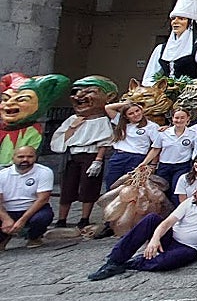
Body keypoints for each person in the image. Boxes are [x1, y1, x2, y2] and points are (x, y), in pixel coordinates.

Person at [87, 179, 197, 280]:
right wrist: (154, 240)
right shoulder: (189, 202)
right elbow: (167, 222)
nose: (194, 193)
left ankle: (130, 264)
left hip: (190, 247)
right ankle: (114, 260)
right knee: (152, 218)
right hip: (171, 236)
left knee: (168, 262)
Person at [50, 76, 117, 229]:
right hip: (72, 156)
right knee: (67, 187)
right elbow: (59, 141)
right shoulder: (73, 119)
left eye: (89, 92)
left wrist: (98, 160)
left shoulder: (102, 120)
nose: (79, 96)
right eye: (76, 92)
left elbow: (104, 141)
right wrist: (73, 127)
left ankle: (84, 218)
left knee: (89, 187)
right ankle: (61, 219)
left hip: (91, 155)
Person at [0, 146, 54, 248]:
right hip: (8, 210)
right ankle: (4, 237)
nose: (25, 159)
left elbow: (43, 199)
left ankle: (34, 237)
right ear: (13, 157)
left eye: (30, 156)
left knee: (43, 217)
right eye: (21, 157)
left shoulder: (45, 172)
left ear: (35, 157)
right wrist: (6, 219)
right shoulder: (2, 174)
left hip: (33, 209)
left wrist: (22, 220)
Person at [104, 102, 164, 189]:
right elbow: (108, 108)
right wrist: (129, 103)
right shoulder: (121, 122)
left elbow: (156, 147)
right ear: (126, 116)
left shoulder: (151, 126)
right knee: (111, 184)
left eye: (137, 111)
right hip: (118, 156)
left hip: (137, 158)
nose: (136, 114)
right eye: (131, 113)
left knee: (130, 187)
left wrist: (147, 163)